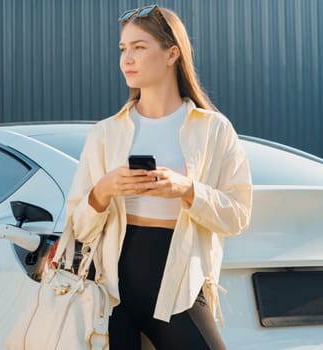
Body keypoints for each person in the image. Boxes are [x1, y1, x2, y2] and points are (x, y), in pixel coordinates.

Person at [62, 4, 253, 349]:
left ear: (172, 54)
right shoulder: (105, 134)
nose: (126, 59)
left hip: (178, 285)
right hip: (112, 291)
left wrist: (188, 190)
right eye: (123, 49)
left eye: (139, 47)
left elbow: (238, 215)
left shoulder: (213, 129)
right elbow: (78, 226)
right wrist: (103, 191)